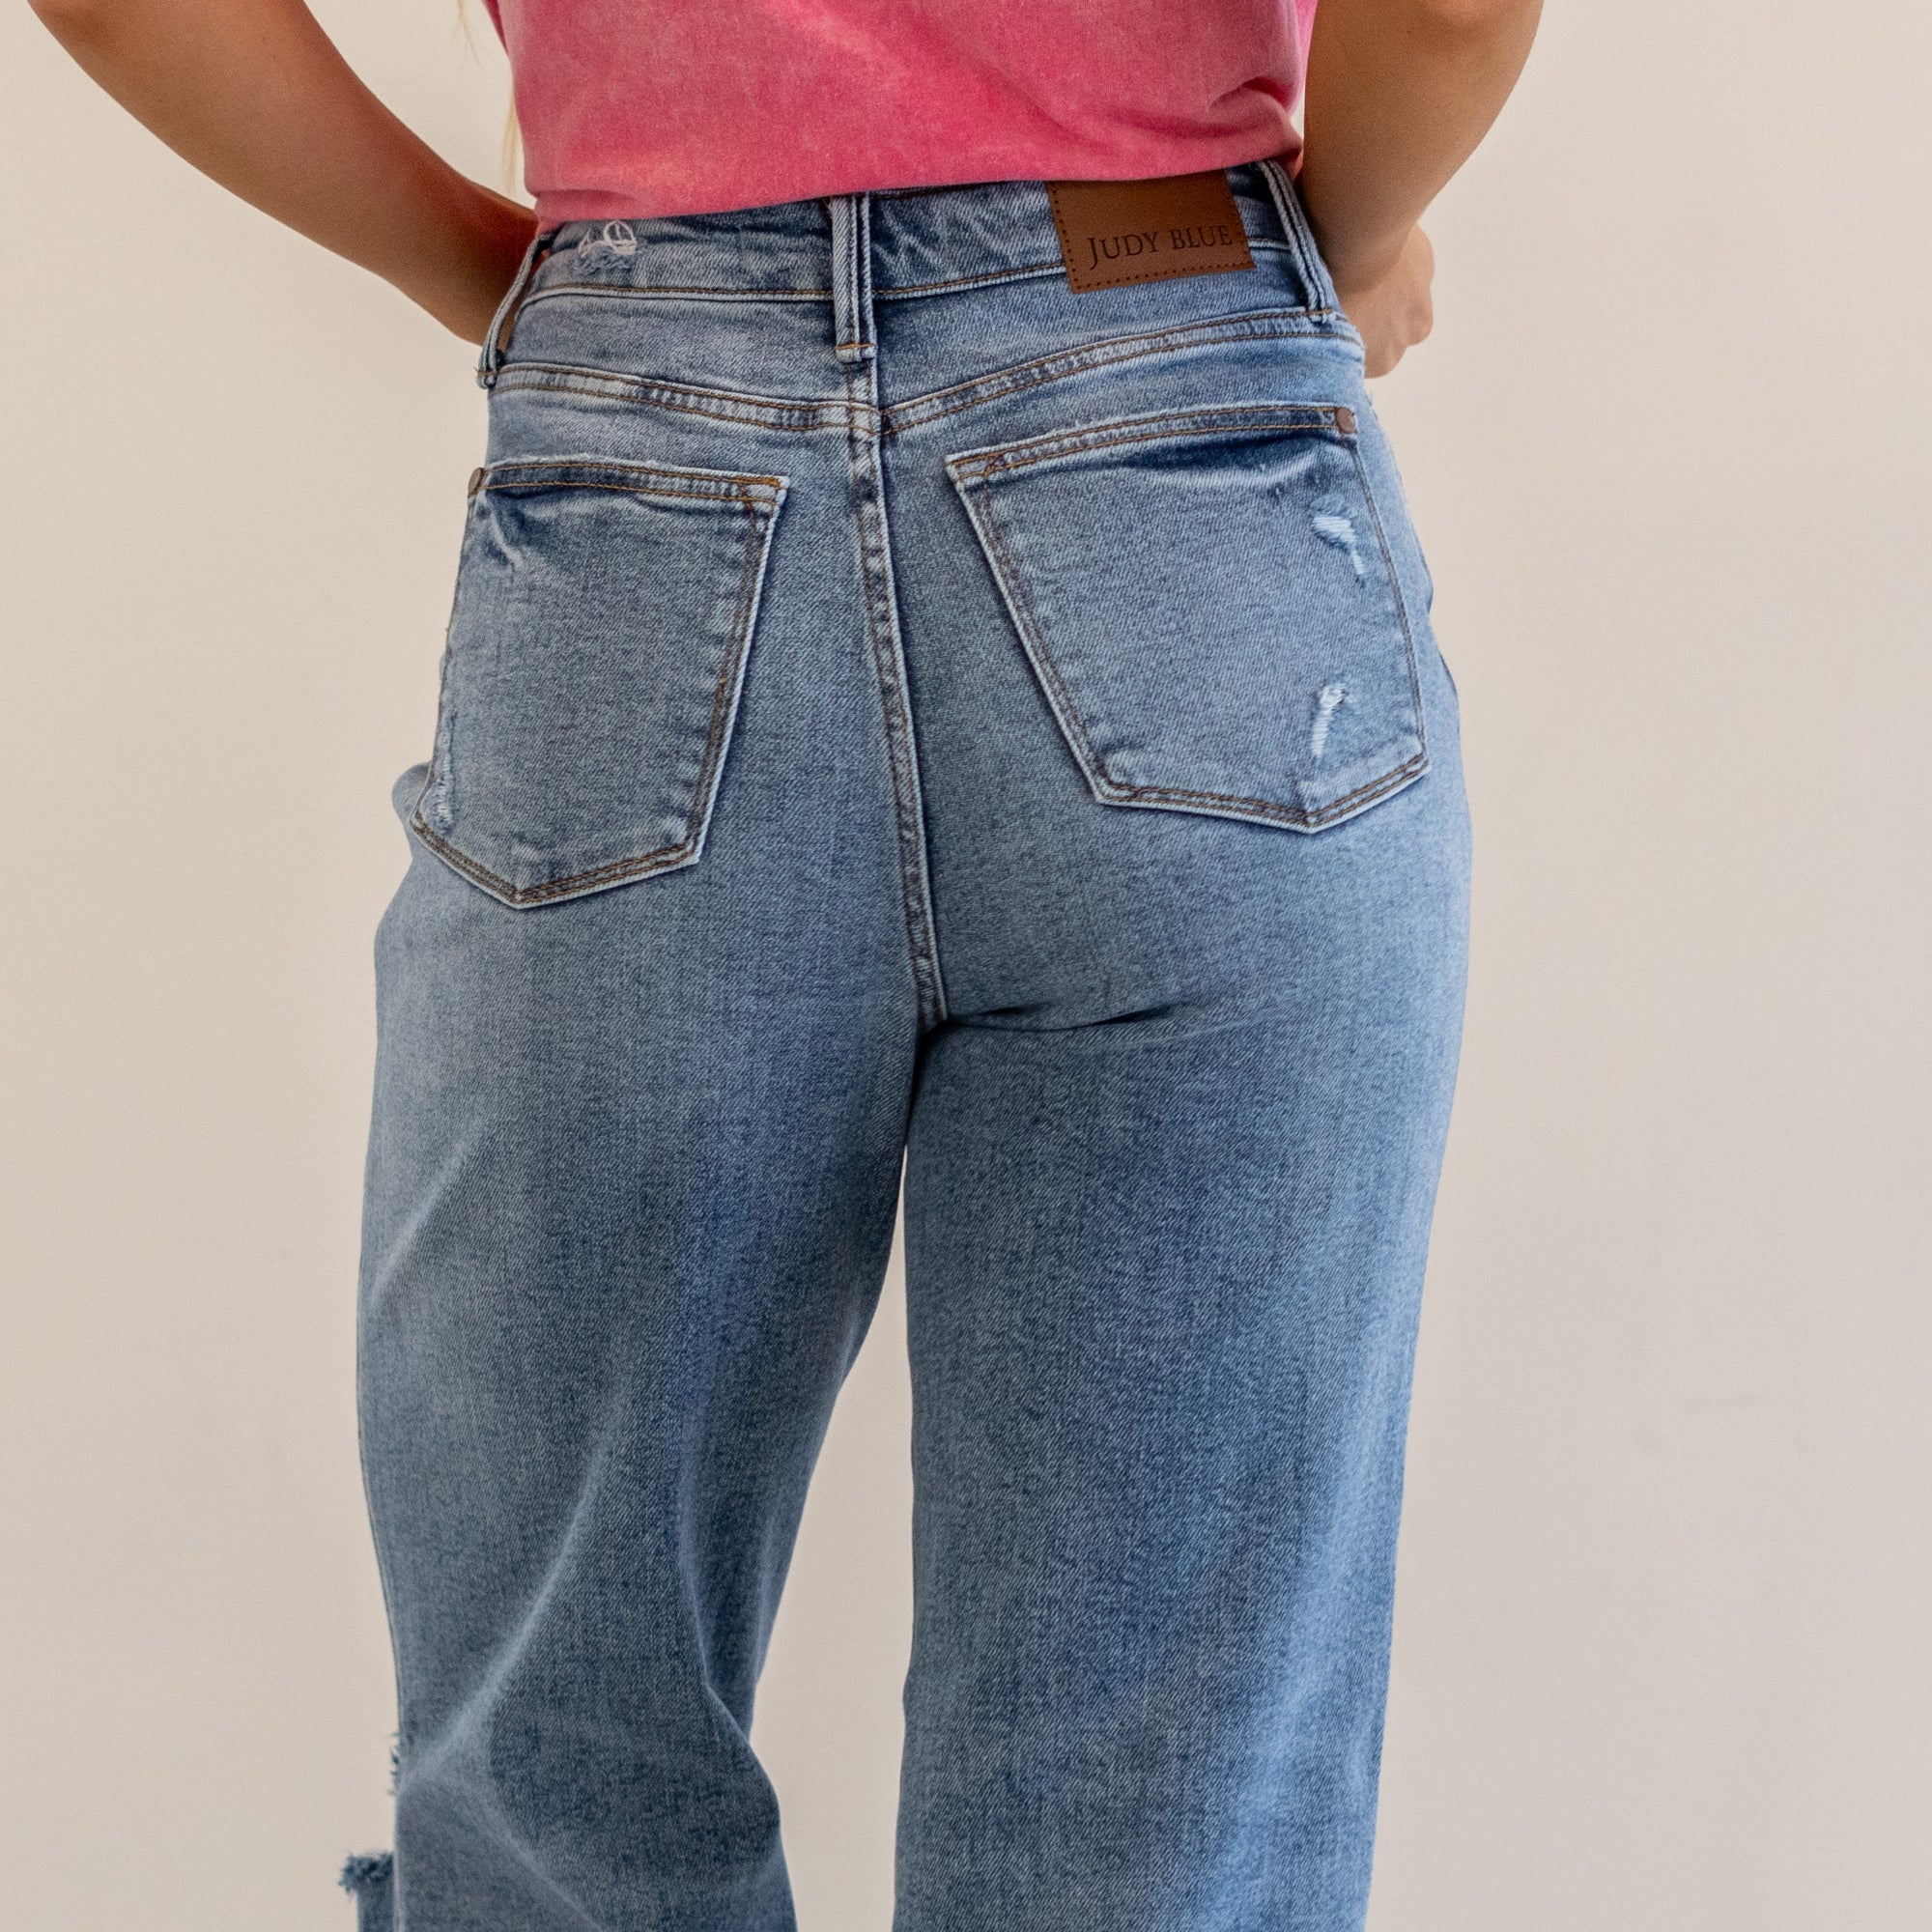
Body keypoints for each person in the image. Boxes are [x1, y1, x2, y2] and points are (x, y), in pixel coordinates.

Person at [28, 0, 1541, 1925]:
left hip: (646, 464)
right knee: (1162, 1804)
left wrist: (500, 270)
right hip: (1186, 444)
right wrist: (1342, 235)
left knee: (566, 1779)